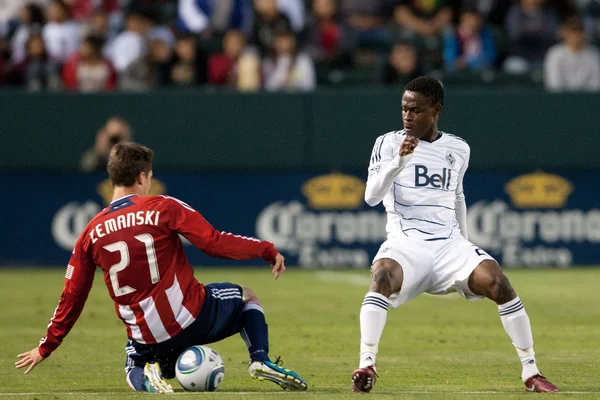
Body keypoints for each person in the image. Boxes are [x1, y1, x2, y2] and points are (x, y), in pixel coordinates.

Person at [16, 142, 307, 392]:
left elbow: (73, 295)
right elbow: (214, 242)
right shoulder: (162, 207)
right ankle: (259, 358)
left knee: (132, 365)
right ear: (143, 176)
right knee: (246, 296)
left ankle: (147, 379)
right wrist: (265, 249)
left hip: (149, 342)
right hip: (194, 318)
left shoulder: (90, 233)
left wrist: (47, 346)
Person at [351, 76, 559, 394]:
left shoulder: (458, 148)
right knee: (381, 275)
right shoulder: (388, 143)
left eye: (416, 110)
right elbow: (371, 196)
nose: (407, 116)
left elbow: (457, 196)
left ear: (436, 111)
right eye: (404, 109)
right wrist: (399, 162)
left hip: (450, 244)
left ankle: (531, 371)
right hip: (406, 243)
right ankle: (367, 364)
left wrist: (464, 242)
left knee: (497, 281)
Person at [544, 15, 600, 92]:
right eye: (573, 31)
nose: (576, 35)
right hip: (561, 101)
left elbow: (596, 83)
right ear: (564, 33)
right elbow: (554, 85)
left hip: (588, 101)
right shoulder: (555, 54)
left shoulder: (594, 54)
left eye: (579, 31)